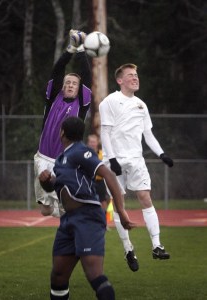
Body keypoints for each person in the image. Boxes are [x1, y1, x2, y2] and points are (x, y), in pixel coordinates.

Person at [39, 117, 136, 300]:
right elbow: (55, 187)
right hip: (67, 220)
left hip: (87, 217)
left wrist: (121, 211)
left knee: (94, 274)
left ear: (62, 133)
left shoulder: (80, 151)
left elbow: (107, 173)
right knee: (58, 276)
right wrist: (46, 182)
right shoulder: (61, 159)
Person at [99, 63, 174, 272]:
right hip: (114, 160)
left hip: (136, 159)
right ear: (119, 80)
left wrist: (162, 154)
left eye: (136, 75)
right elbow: (105, 132)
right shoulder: (109, 102)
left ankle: (157, 245)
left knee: (145, 197)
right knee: (119, 203)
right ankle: (128, 248)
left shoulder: (141, 105)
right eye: (130, 75)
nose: (135, 78)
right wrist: (111, 159)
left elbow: (147, 135)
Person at [34, 29, 91, 218]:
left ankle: (74, 221)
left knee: (67, 207)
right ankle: (63, 212)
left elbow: (87, 76)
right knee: (45, 211)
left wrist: (81, 50)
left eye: (74, 83)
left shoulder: (81, 104)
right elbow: (57, 70)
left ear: (79, 88)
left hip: (64, 163)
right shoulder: (53, 98)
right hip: (42, 158)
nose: (70, 85)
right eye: (67, 82)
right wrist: (70, 50)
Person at [87, 134, 111, 213]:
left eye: (93, 142)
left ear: (97, 143)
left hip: (100, 181)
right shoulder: (85, 154)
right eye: (90, 142)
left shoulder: (102, 154)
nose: (92, 144)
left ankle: (103, 220)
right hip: (89, 181)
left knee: (103, 200)